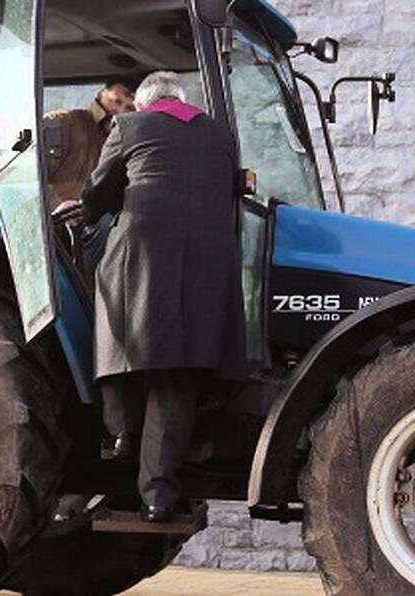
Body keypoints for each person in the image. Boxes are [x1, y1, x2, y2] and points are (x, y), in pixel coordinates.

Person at [81, 71, 248, 523]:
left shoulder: (129, 126)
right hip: (208, 266)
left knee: (113, 318)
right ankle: (157, 497)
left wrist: (89, 209)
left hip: (143, 254)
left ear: (144, 104)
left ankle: (119, 432)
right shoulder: (220, 134)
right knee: (176, 374)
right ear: (183, 101)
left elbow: (97, 194)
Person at [44, 79, 134, 276]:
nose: (121, 110)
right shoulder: (64, 124)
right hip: (56, 223)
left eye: (129, 107)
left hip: (98, 221)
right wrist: (59, 205)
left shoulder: (128, 141)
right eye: (116, 102)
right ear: (100, 95)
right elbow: (30, 175)